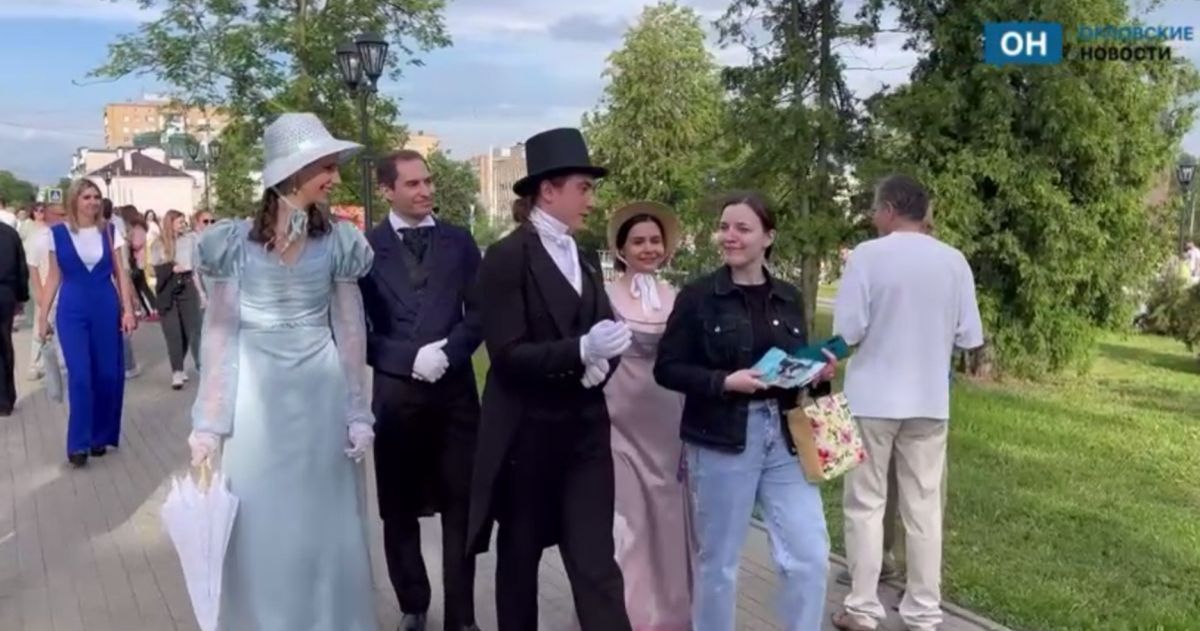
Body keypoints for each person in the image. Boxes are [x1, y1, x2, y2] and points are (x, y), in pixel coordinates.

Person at [186, 112, 378, 631]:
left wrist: (357, 411)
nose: (335, 177)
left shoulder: (338, 242)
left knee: (325, 521)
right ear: (294, 172)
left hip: (320, 394)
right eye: (326, 167)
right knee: (259, 519)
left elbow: (350, 330)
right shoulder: (232, 244)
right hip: (255, 398)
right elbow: (219, 334)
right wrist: (208, 422)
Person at [466, 127, 634, 631]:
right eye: (584, 188)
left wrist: (602, 365)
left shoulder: (584, 257)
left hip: (585, 435)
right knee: (520, 561)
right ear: (548, 190)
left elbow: (604, 330)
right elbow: (507, 355)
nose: (591, 200)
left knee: (597, 564)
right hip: (527, 437)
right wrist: (580, 352)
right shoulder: (506, 258)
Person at [654, 191, 837, 631]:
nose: (729, 236)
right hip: (723, 438)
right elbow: (667, 368)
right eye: (724, 227)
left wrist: (817, 374)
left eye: (742, 228)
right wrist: (724, 381)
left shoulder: (789, 297)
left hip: (785, 438)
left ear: (768, 237)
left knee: (810, 555)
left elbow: (794, 365)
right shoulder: (699, 296)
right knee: (719, 563)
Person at [830, 174, 983, 631]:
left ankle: (862, 607)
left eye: (875, 208)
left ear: (890, 209)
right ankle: (923, 611)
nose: (872, 217)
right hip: (929, 402)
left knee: (865, 504)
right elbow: (969, 336)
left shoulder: (866, 256)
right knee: (924, 508)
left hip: (872, 398)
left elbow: (848, 331)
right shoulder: (954, 261)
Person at [359, 150, 483, 631]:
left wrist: (450, 352)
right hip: (397, 399)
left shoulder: (460, 241)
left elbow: (481, 312)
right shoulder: (365, 250)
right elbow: (356, 331)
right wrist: (407, 359)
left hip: (455, 398)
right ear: (386, 190)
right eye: (412, 183)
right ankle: (413, 603)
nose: (426, 190)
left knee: (461, 508)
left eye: (427, 181)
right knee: (399, 509)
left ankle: (462, 615)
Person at [602, 202, 692, 631]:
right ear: (621, 249)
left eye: (655, 240)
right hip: (618, 415)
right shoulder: (605, 296)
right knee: (628, 516)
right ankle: (626, 614)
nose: (648, 248)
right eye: (638, 241)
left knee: (668, 510)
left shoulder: (675, 296)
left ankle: (672, 611)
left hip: (667, 415)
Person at [36, 180, 138, 466]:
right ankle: (78, 444)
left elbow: (121, 273)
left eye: (96, 197)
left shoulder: (110, 231)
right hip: (72, 310)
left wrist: (128, 310)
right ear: (75, 200)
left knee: (107, 374)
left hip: (105, 306)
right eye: (86, 197)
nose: (93, 202)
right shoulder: (57, 234)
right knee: (80, 375)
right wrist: (42, 318)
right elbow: (53, 277)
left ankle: (99, 437)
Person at [150, 209, 204, 389]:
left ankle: (187, 364)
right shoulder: (158, 244)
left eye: (184, 222)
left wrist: (201, 293)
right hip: (168, 288)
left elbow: (196, 267)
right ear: (170, 223)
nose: (183, 225)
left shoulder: (190, 240)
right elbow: (154, 270)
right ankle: (177, 371)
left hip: (187, 285)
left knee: (190, 330)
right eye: (180, 222)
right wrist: (170, 268)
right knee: (173, 332)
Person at [0, 220, 29, 416]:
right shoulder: (10, 233)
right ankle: (6, 399)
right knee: (5, 344)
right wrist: (21, 296)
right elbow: (21, 268)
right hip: (6, 294)